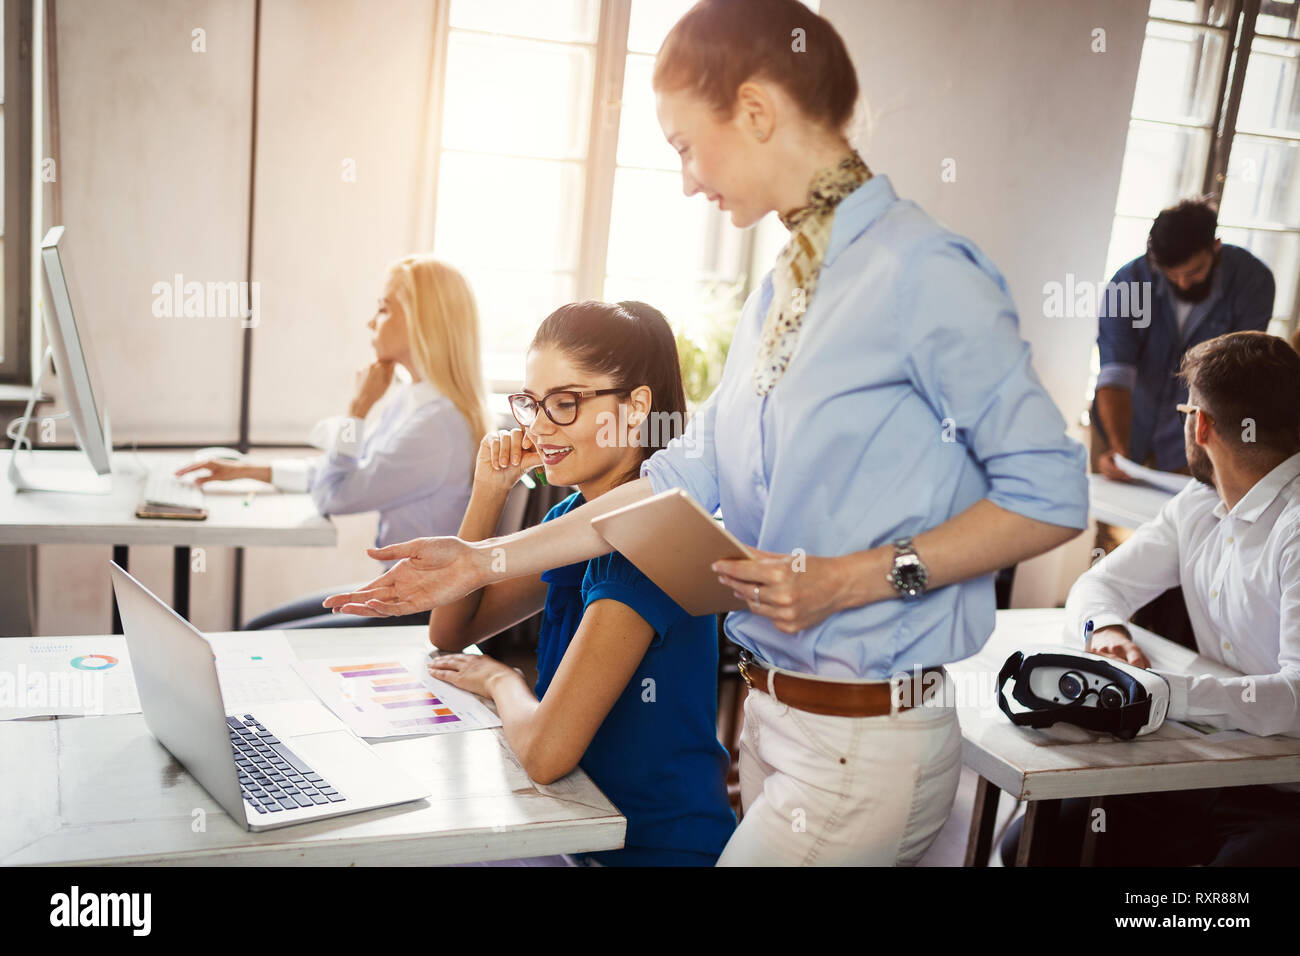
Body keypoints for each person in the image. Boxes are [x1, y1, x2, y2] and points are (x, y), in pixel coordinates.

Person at [324, 0, 1089, 866]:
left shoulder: (921, 272)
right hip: (777, 724)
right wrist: (482, 559)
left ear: (757, 111)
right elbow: (671, 482)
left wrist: (849, 580)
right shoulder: (783, 292)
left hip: (862, 737)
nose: (687, 180)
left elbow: (1052, 498)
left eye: (686, 145)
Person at [424, 300, 736, 866]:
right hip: (578, 827)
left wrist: (500, 681)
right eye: (532, 404)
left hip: (650, 849)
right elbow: (451, 629)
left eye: (565, 404)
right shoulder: (573, 519)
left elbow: (546, 753)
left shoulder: (648, 541)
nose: (540, 428)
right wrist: (490, 491)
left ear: (636, 407)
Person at [1001, 330, 1300, 866]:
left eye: (1188, 408)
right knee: (1037, 842)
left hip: (1284, 796)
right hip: (1202, 766)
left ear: (1200, 424)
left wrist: (1159, 695)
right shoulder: (1199, 501)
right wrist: (1108, 630)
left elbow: (1297, 698)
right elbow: (1100, 584)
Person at [178, 255, 490, 629]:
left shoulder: (435, 428)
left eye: (383, 309)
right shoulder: (415, 400)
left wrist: (358, 408)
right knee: (256, 629)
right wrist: (244, 471)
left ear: (422, 322)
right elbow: (336, 473)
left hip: (421, 609)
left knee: (256, 636)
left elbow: (334, 494)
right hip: (399, 588)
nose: (371, 322)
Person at [1093, 198, 1274, 482]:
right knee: (1108, 514)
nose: (1183, 283)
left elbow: (1237, 382)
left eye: (1194, 272)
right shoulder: (1128, 283)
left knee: (1184, 521)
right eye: (1172, 275)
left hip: (1197, 435)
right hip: (1127, 420)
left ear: (1215, 247)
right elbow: (1115, 373)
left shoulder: (1253, 283)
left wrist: (1209, 454)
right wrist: (1118, 449)